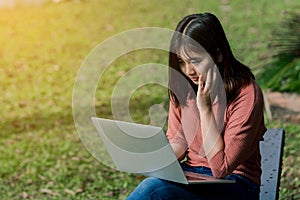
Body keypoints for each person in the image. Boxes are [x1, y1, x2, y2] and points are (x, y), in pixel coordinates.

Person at [127, 12, 266, 200]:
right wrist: (154, 159)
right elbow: (179, 140)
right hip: (193, 175)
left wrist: (206, 109)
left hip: (237, 184)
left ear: (217, 54)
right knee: (154, 185)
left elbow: (221, 168)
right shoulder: (183, 86)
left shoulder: (247, 94)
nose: (188, 71)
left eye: (196, 61)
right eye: (182, 62)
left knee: (153, 190)